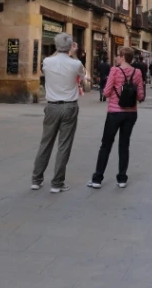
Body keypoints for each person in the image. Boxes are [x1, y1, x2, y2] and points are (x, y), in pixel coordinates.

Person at [31, 33, 87, 193]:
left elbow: (49, 62)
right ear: (70, 47)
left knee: (45, 143)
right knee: (64, 145)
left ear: (55, 47)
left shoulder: (47, 62)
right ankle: (57, 183)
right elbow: (84, 76)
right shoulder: (76, 64)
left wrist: (61, 49)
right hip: (69, 107)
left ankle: (36, 180)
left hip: (51, 107)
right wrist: (73, 53)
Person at [88, 46, 145, 189]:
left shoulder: (114, 70)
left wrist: (115, 90)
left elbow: (106, 92)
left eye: (118, 56)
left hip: (114, 112)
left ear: (123, 56)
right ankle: (122, 179)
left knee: (106, 144)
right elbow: (140, 96)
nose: (116, 58)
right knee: (124, 145)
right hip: (131, 113)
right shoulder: (137, 72)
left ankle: (97, 179)